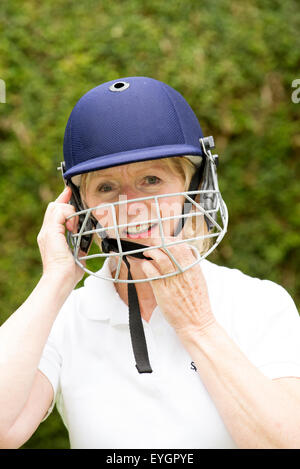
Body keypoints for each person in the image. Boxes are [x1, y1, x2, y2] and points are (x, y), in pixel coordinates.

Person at [1, 76, 300, 450]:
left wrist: (198, 326)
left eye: (152, 179)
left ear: (194, 188)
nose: (130, 205)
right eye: (106, 187)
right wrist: (55, 282)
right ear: (81, 207)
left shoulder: (259, 303)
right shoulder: (65, 317)